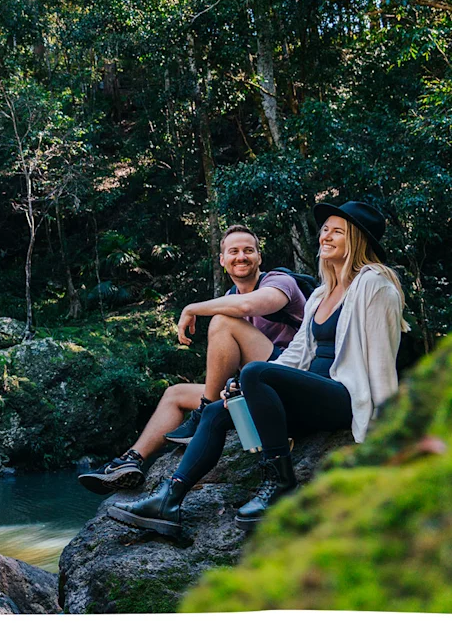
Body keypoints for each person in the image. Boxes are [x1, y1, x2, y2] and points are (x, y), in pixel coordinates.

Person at [106, 201, 407, 536]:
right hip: (311, 392)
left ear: (357, 240)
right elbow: (296, 354)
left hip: (344, 396)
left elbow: (383, 362)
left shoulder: (376, 286)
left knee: (255, 372)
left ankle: (280, 483)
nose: (325, 236)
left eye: (337, 231)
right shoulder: (322, 293)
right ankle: (169, 499)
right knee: (220, 409)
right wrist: (244, 387)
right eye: (324, 229)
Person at [77, 225, 307, 494]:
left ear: (259, 257)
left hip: (292, 375)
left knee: (223, 322)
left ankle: (204, 411)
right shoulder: (229, 299)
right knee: (175, 394)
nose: (241, 257)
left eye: (248, 250)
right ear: (223, 260)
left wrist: (191, 308)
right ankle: (130, 461)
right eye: (233, 251)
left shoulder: (280, 282)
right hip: (256, 385)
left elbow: (248, 306)